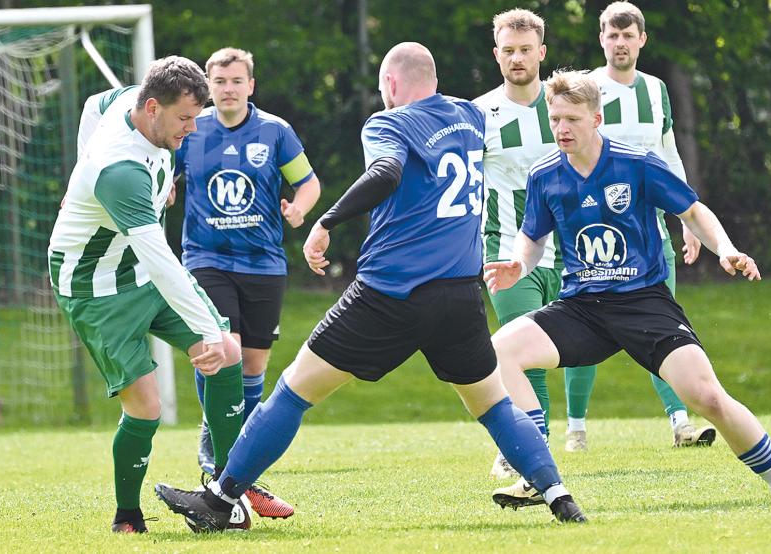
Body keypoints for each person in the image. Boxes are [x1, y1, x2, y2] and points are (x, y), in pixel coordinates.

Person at [153, 42, 588, 532]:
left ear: (392, 85)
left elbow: (386, 171)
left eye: (384, 88)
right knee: (493, 404)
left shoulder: (388, 123)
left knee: (294, 392)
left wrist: (328, 221)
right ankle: (559, 495)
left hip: (389, 293)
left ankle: (221, 499)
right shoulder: (469, 117)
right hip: (459, 295)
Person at [484, 69, 771, 507]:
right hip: (583, 306)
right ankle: (535, 471)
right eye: (555, 118)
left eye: (572, 120)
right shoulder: (547, 175)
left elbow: (693, 211)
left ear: (596, 119)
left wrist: (726, 249)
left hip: (644, 303)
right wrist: (518, 265)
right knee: (501, 348)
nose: (561, 128)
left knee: (708, 397)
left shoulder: (634, 163)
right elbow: (532, 237)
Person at [48, 56, 242, 533]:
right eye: (184, 119)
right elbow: (161, 259)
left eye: (198, 116)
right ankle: (127, 517)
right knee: (147, 407)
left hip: (137, 262)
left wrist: (84, 174)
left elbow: (95, 103)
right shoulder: (120, 171)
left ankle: (230, 486)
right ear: (153, 107)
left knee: (229, 351)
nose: (193, 129)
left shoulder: (128, 100)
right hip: (95, 285)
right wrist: (204, 329)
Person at [557, 0, 714, 450]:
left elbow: (667, 156)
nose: (620, 42)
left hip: (649, 235)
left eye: (628, 35)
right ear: (601, 38)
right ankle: (576, 429)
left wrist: (688, 221)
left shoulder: (656, 90)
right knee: (580, 327)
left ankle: (681, 422)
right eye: (612, 34)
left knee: (664, 326)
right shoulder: (585, 89)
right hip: (592, 236)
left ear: (641, 39)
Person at [174, 47, 320, 519]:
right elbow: (164, 175)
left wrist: (299, 208)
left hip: (263, 265)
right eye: (219, 81)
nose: (228, 88)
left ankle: (234, 462)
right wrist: (166, 187)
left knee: (253, 369)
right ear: (208, 86)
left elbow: (308, 183)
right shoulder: (191, 129)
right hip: (206, 260)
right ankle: (218, 452)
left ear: (250, 85)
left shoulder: (274, 131)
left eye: (237, 80)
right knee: (223, 348)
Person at [474, 9, 599, 482]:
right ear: (496, 55)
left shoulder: (563, 110)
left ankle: (565, 433)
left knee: (570, 348)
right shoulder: (479, 113)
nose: (517, 57)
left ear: (542, 53)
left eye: (526, 49)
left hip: (572, 252)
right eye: (508, 50)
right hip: (506, 251)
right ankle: (528, 448)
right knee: (519, 349)